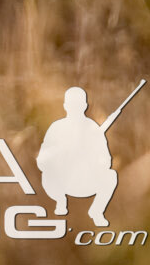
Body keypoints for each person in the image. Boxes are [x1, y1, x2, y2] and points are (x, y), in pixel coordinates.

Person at [38, 86, 119, 227]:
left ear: (85, 106)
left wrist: (91, 156)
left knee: (111, 176)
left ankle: (96, 211)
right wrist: (60, 154)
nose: (75, 108)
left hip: (86, 182)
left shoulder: (93, 129)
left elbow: (106, 162)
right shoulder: (56, 128)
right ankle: (60, 201)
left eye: (78, 104)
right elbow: (42, 161)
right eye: (71, 104)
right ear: (65, 106)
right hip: (62, 183)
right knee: (47, 175)